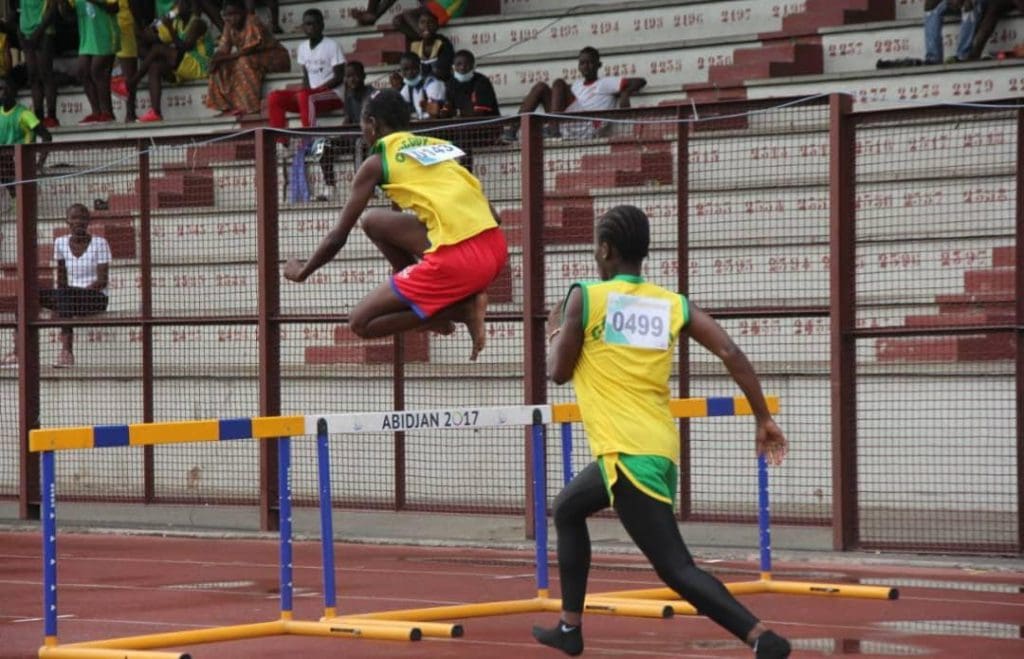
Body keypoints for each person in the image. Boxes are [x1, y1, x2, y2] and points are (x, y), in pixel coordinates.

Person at [537, 204, 791, 658]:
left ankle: (760, 638)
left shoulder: (586, 296)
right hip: (653, 448)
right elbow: (730, 350)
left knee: (675, 568)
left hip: (627, 454)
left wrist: (555, 332)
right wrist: (762, 417)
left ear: (604, 249)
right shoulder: (672, 304)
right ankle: (569, 629)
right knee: (568, 509)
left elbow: (558, 373)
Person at [282, 88, 506, 361]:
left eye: (363, 126)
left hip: (457, 261)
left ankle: (458, 310)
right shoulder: (435, 147)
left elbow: (337, 237)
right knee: (372, 221)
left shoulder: (376, 162)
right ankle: (429, 300)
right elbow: (494, 216)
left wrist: (302, 272)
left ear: (373, 125)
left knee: (360, 322)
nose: (363, 133)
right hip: (494, 250)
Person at [2, 203, 110, 368]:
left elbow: (102, 280)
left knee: (65, 294)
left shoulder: (100, 243)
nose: (78, 221)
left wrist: (71, 294)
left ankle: (67, 352)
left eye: (82, 218)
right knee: (27, 295)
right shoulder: (60, 243)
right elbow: (61, 278)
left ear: (88, 221)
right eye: (74, 218)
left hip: (94, 298)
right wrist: (62, 299)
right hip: (68, 298)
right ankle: (18, 353)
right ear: (67, 221)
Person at [502, 46, 646, 142]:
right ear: (578, 66)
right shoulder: (577, 85)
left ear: (598, 65)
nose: (586, 67)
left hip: (587, 125)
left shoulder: (606, 83)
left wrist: (624, 93)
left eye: (590, 63)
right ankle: (512, 131)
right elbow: (561, 96)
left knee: (558, 83)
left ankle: (553, 130)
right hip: (567, 122)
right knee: (541, 87)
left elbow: (640, 81)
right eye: (582, 63)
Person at [265, 8, 344, 138]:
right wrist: (305, 92)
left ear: (322, 25)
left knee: (305, 96)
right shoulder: (302, 48)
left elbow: (339, 77)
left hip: (333, 95)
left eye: (314, 24)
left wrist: (317, 90)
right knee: (275, 97)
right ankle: (280, 140)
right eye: (307, 24)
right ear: (303, 27)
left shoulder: (332, 45)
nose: (311, 27)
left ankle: (309, 139)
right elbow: (306, 77)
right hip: (310, 97)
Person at [129, 0, 212, 123]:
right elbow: (154, 38)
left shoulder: (198, 23)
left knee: (158, 49)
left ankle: (132, 82)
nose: (175, 7)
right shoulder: (177, 22)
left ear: (188, 7)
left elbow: (184, 46)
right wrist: (140, 31)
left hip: (200, 65)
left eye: (180, 4)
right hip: (184, 66)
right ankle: (156, 112)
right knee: (155, 66)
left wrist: (170, 29)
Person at [206, 0, 290, 118]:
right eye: (228, 15)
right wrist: (214, 59)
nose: (232, 18)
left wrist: (223, 58)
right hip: (250, 57)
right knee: (219, 66)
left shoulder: (252, 21)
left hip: (274, 57)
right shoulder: (228, 25)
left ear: (243, 12)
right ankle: (225, 107)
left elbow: (249, 49)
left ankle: (251, 107)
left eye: (235, 14)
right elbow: (223, 49)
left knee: (243, 62)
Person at [0, 70, 52, 208]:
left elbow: (47, 136)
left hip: (22, 158)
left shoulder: (24, 114)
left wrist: (40, 162)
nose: (2, 93)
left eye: (4, 89)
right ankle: (15, 202)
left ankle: (20, 204)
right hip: (4, 161)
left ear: (13, 92)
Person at [65, 0, 119, 124]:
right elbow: (69, 16)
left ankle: (107, 112)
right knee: (82, 71)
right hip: (87, 37)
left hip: (106, 33)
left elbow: (115, 7)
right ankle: (96, 112)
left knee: (97, 70)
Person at [18, 0, 61, 127]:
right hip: (26, 31)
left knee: (45, 73)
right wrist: (20, 32)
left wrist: (38, 32)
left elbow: (52, 9)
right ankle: (38, 116)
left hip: (44, 30)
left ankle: (52, 116)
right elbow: (20, 10)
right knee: (33, 76)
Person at [350, 0, 465, 42]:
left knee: (406, 16)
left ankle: (424, 36)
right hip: (438, 4)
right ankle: (372, 15)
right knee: (397, 21)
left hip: (448, 6)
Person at [446, 49, 498, 118]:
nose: (462, 68)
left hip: (486, 125)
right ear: (453, 67)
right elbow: (447, 108)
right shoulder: (450, 83)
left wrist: (456, 112)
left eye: (466, 64)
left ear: (473, 66)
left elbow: (480, 112)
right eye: (459, 64)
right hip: (460, 126)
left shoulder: (482, 82)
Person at [398, 51, 446, 120]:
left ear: (420, 67)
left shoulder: (433, 84)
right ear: (401, 71)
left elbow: (436, 113)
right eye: (405, 69)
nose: (410, 72)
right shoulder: (406, 89)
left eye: (414, 68)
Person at [409, 9, 454, 78]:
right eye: (422, 22)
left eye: (430, 22)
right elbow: (400, 19)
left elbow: (440, 71)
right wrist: (427, 7)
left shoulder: (443, 43)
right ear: (418, 25)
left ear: (436, 25)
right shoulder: (415, 44)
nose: (426, 25)